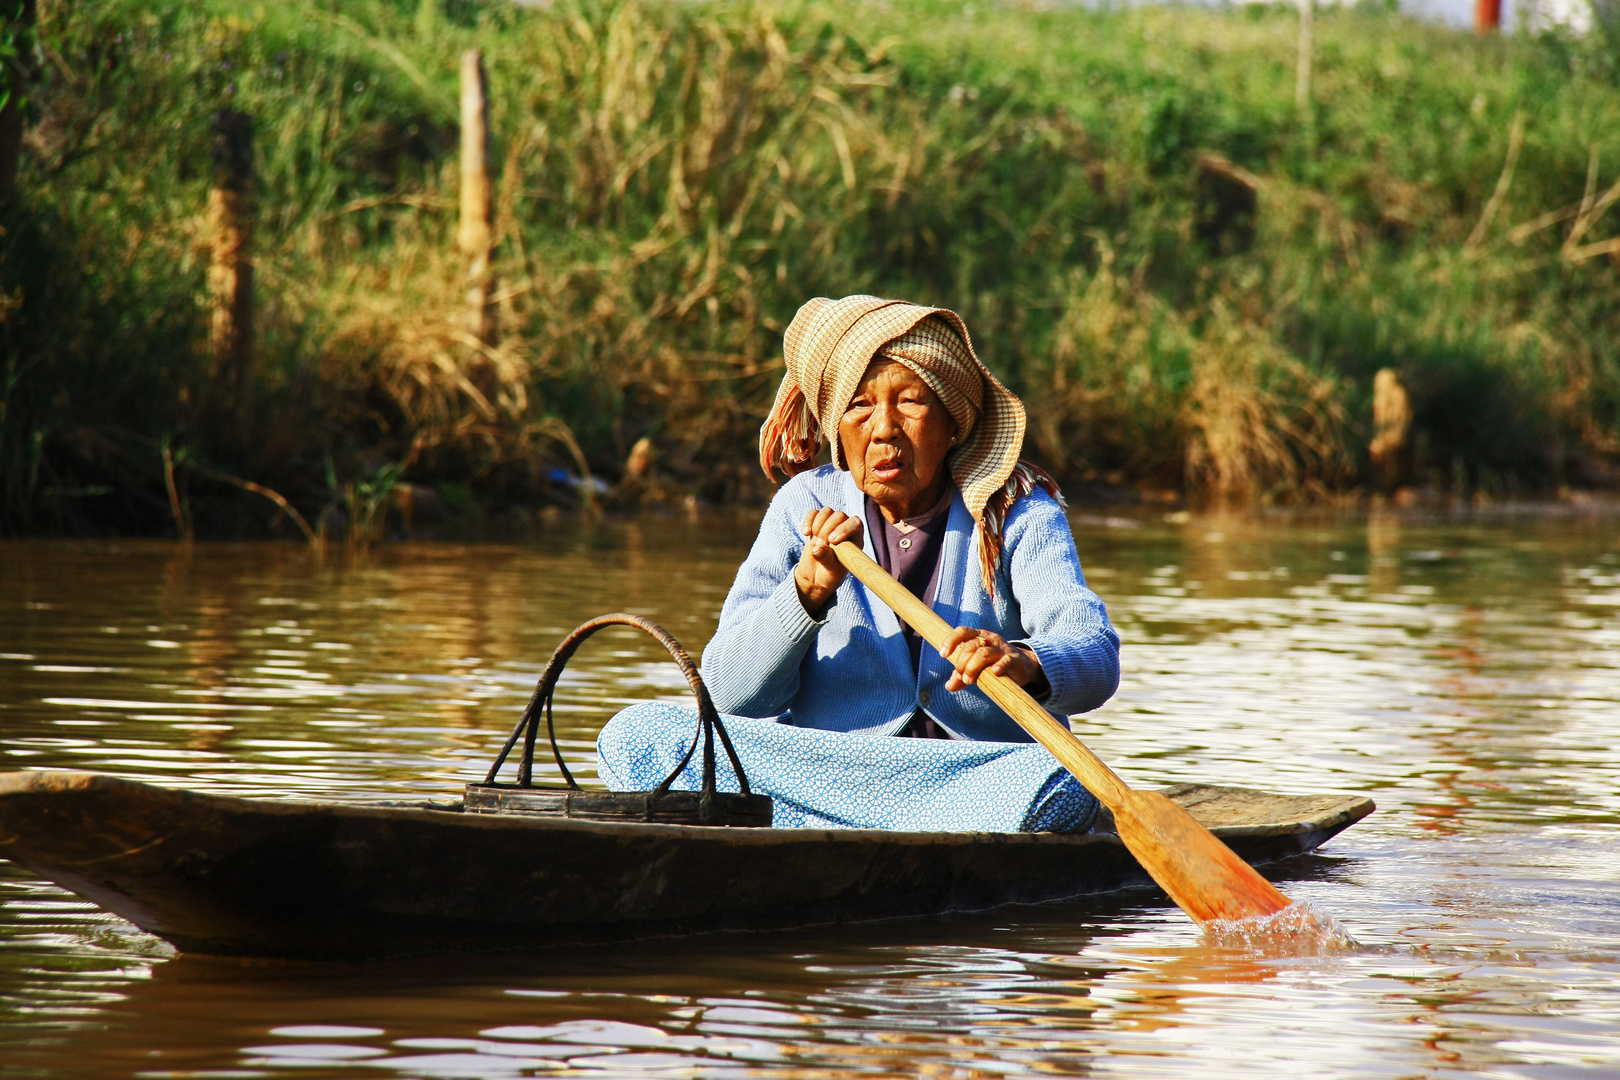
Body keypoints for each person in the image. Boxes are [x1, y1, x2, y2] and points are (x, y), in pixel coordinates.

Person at [595, 295, 1119, 832]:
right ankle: (860, 819)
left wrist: (1025, 661)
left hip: (976, 777)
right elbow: (730, 695)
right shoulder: (803, 505)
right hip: (833, 770)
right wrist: (806, 592)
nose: (884, 428)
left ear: (952, 423)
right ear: (837, 428)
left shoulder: (1016, 509)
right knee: (638, 737)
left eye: (911, 402)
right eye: (860, 405)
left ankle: (812, 823)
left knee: (1066, 784)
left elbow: (1096, 655)